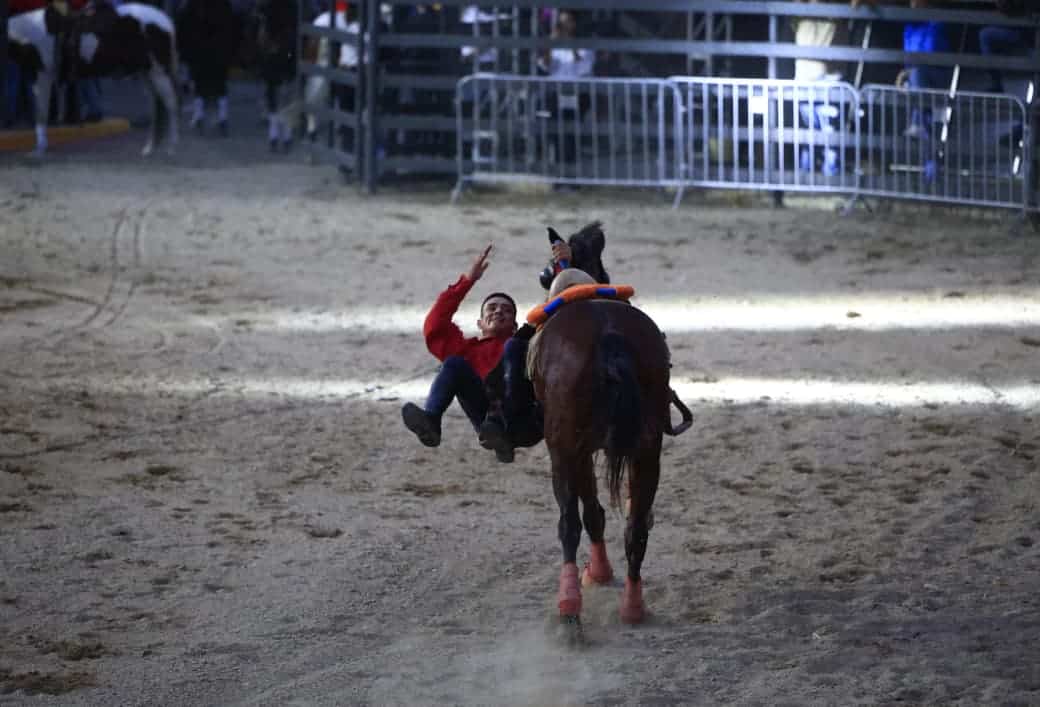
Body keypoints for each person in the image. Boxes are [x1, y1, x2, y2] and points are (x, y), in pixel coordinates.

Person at [478, 222, 610, 464]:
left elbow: (552, 280)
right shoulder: (597, 279)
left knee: (514, 349)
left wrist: (569, 257)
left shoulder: (589, 274)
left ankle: (510, 417)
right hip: (595, 317)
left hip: (577, 315)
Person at [401, 244, 520, 462]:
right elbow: (434, 326)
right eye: (492, 308)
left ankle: (503, 435)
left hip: (517, 409)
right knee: (454, 363)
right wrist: (468, 281)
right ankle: (431, 421)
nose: (498, 311)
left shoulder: (522, 345)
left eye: (507, 310)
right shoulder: (466, 350)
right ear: (480, 323)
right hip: (484, 416)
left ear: (515, 326)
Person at [792, 0, 874, 176]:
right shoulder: (803, 11)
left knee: (827, 132)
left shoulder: (837, 11)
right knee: (813, 131)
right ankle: (808, 174)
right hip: (808, 77)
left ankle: (823, 174)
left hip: (827, 78)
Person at [177, 0, 236, 136]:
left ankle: (201, 114)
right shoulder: (223, 5)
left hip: (200, 48)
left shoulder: (193, 5)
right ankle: (221, 117)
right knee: (219, 83)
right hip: (218, 49)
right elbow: (232, 26)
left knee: (200, 82)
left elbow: (183, 24)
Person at [897, 0, 953, 139]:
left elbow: (929, 53)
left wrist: (907, 72)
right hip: (915, 73)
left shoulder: (936, 22)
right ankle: (921, 126)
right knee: (912, 79)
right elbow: (908, 56)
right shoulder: (908, 27)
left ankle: (920, 124)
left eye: (917, 2)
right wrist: (904, 73)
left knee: (917, 74)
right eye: (911, 3)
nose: (914, 5)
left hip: (938, 73)